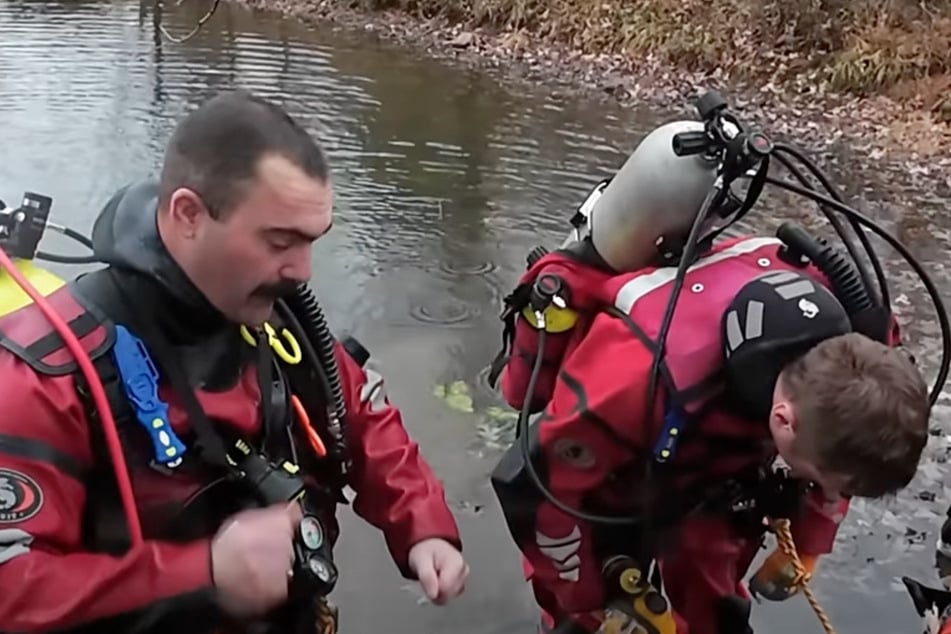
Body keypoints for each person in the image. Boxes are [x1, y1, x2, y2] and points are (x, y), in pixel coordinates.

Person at [0, 90, 468, 634]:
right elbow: (12, 591)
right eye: (279, 241)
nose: (302, 270)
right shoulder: (43, 377)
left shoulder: (278, 318)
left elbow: (363, 419)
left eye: (313, 241)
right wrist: (204, 572)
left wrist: (423, 528)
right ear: (189, 215)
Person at [486, 120, 931, 634]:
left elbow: (854, 455)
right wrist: (586, 602)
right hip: (628, 463)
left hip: (716, 474)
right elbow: (535, 493)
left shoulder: (865, 340)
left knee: (713, 611)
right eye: (815, 479)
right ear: (782, 421)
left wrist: (811, 538)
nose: (817, 488)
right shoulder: (636, 376)